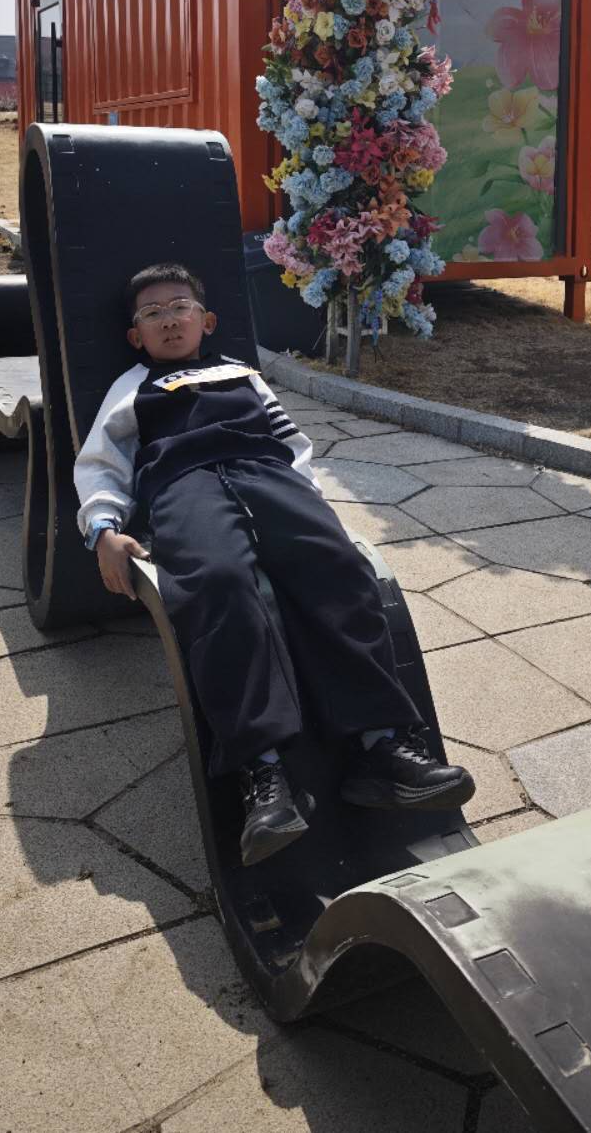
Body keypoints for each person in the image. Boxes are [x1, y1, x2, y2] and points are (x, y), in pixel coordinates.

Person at [74, 262, 474, 868]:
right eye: (152, 314)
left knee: (338, 567)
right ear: (136, 335)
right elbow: (102, 463)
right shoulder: (132, 389)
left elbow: (291, 444)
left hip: (266, 474)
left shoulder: (243, 375)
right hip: (184, 486)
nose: (168, 320)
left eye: (180, 307)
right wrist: (104, 529)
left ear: (206, 321)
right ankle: (262, 773)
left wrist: (307, 506)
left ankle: (381, 748)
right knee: (218, 585)